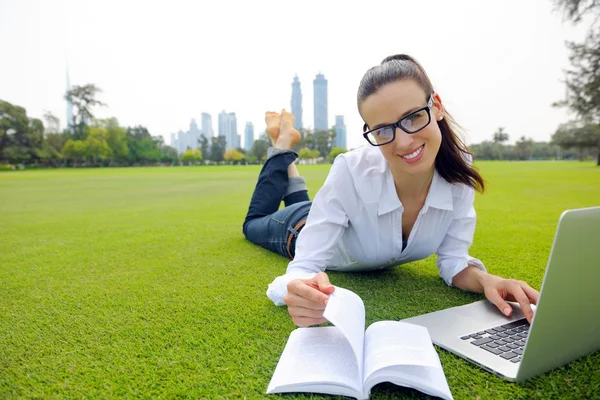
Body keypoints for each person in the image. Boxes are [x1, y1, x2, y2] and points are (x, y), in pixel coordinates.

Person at [243, 54, 540, 328]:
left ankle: (288, 159)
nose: (403, 142)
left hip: (327, 213)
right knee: (254, 222)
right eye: (383, 129)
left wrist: (488, 281)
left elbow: (453, 262)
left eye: (412, 117)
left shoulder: (457, 173)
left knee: (311, 203)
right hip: (298, 228)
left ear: (436, 106)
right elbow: (304, 266)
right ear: (369, 131)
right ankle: (281, 146)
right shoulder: (351, 169)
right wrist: (294, 290)